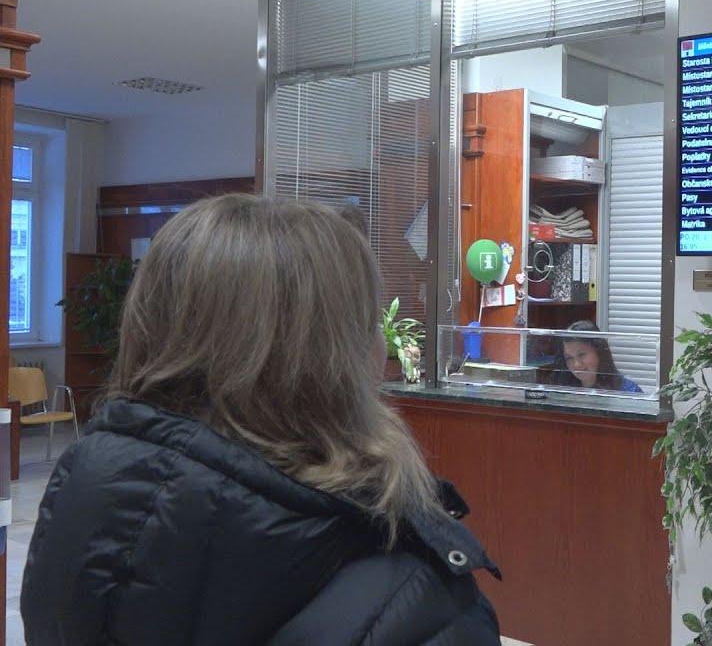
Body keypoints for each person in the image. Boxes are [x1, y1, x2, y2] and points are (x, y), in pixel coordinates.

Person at [21, 194, 500, 646]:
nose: (381, 344)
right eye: (369, 321)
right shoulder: (419, 600)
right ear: (334, 359)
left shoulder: (82, 496)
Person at [555, 320, 643, 393]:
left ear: (599, 352)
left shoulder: (629, 391)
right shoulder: (563, 390)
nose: (577, 364)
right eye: (569, 358)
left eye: (581, 355)